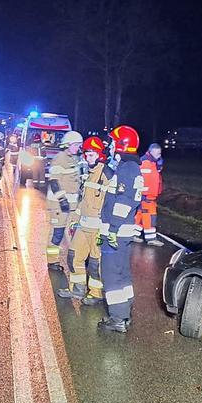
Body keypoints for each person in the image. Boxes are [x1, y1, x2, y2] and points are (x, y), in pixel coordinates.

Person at [97, 125, 145, 333]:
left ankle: (117, 318)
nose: (110, 146)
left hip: (116, 230)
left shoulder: (127, 169)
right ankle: (125, 311)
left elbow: (124, 202)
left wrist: (112, 229)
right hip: (124, 230)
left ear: (122, 144)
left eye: (113, 142)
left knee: (110, 274)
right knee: (122, 272)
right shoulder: (130, 167)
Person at [58, 135, 107, 305]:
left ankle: (96, 293)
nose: (88, 157)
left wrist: (106, 229)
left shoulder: (106, 176)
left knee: (95, 263)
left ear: (100, 155)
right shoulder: (88, 174)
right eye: (86, 154)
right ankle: (77, 289)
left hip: (97, 229)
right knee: (73, 256)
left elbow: (109, 205)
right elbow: (83, 201)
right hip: (83, 225)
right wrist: (74, 220)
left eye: (91, 154)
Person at [45, 130, 84, 271]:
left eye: (79, 145)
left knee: (74, 232)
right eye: (76, 145)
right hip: (59, 205)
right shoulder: (59, 158)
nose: (78, 148)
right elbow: (54, 181)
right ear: (67, 145)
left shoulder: (75, 159)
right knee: (57, 233)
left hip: (73, 205)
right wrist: (62, 200)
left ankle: (76, 259)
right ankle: (52, 261)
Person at [136, 142, 164, 246]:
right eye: (157, 154)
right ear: (150, 152)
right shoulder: (146, 162)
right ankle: (151, 238)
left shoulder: (153, 162)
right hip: (147, 196)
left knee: (139, 215)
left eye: (160, 153)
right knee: (150, 216)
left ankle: (134, 234)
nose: (159, 156)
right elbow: (143, 180)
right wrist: (143, 195)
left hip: (148, 195)